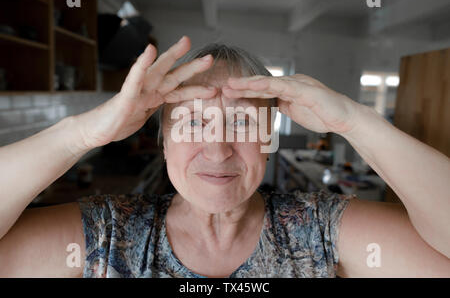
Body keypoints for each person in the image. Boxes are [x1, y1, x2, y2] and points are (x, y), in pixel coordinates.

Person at [0, 36, 449, 277]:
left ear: (267, 138)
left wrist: (355, 121)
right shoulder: (106, 233)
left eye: (241, 123)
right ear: (163, 139)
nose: (217, 148)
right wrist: (81, 133)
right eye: (194, 123)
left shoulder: (321, 232)